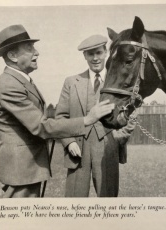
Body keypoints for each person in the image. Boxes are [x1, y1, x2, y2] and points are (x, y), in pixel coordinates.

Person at [0, 25, 114, 198]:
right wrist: (87, 119)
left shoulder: (20, 81)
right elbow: (41, 126)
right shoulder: (10, 85)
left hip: (27, 168)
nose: (37, 53)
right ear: (12, 56)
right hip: (21, 170)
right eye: (30, 49)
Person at [55, 34, 137, 197]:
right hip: (77, 150)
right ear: (84, 55)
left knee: (108, 201)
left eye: (98, 53)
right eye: (90, 54)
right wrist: (69, 142)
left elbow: (132, 113)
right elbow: (60, 117)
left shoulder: (118, 80)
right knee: (74, 203)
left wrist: (118, 138)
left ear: (106, 52)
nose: (95, 58)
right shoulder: (71, 82)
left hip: (108, 148)